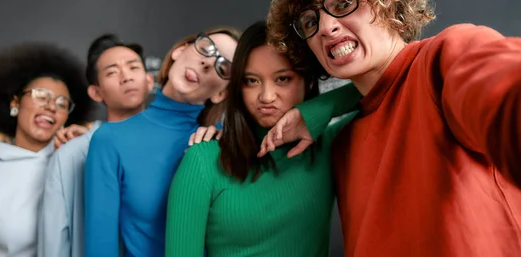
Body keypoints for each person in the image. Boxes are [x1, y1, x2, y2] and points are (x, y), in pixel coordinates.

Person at [260, 0, 521, 257]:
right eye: (310, 21)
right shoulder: (342, 143)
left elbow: (513, 95)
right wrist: (318, 110)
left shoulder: (442, 61)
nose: (326, 27)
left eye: (344, 3)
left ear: (387, 1)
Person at [165, 21, 361, 257]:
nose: (266, 97)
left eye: (282, 79)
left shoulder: (328, 145)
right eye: (252, 81)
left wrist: (317, 110)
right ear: (238, 88)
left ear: (307, 81)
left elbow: (389, 79)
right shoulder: (203, 160)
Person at [84, 27, 240, 257]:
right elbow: (100, 249)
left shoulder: (226, 144)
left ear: (221, 94)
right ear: (179, 50)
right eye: (207, 49)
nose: (207, 63)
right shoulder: (110, 140)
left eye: (223, 67)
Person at [0, 43, 93, 257]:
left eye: (62, 103)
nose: (51, 106)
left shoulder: (75, 165)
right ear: (14, 103)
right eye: (41, 96)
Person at [37, 34, 154, 257]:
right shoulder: (71, 154)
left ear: (149, 80)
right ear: (96, 92)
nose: (126, 77)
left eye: (133, 67)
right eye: (112, 72)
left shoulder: (183, 145)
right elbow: (53, 242)